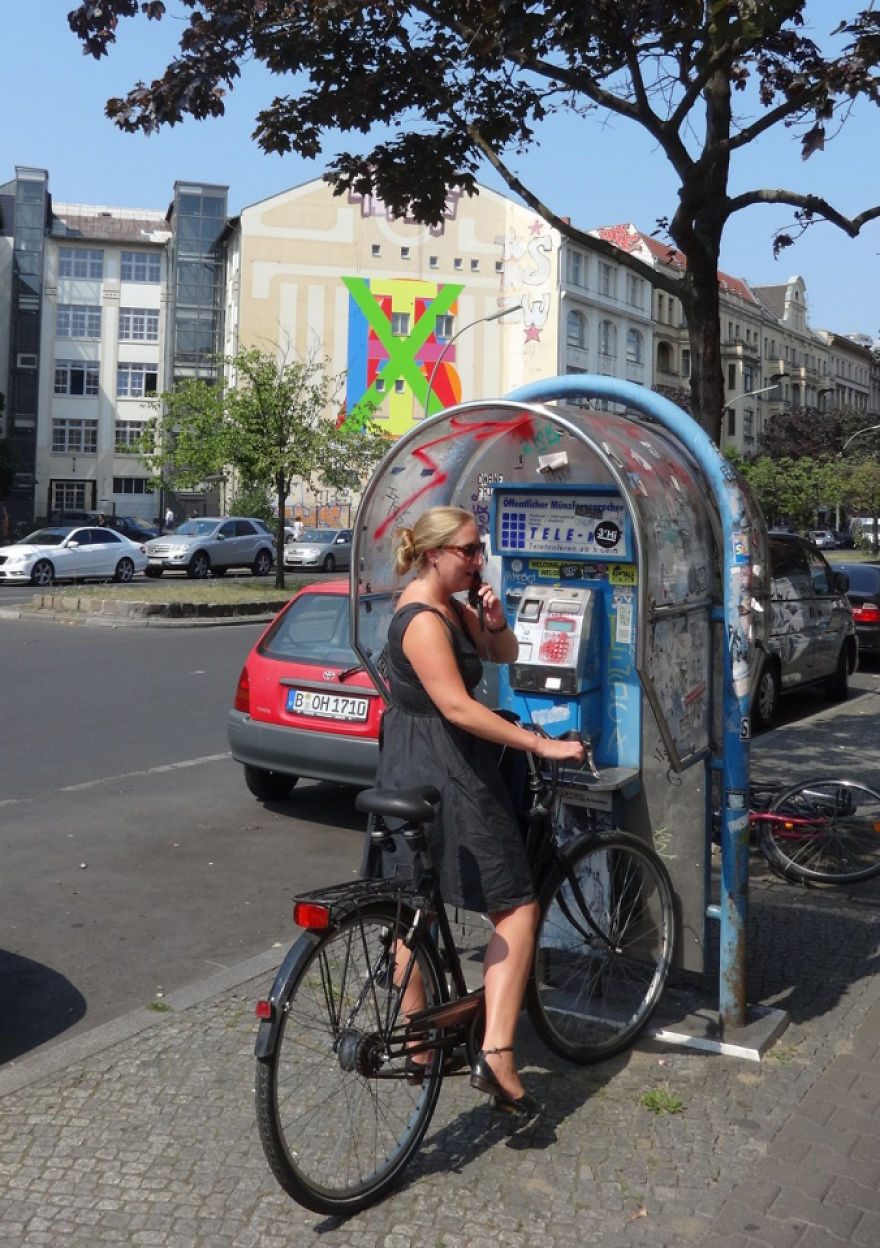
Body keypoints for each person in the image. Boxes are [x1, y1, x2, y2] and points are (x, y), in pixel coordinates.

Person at [367, 505, 584, 1117]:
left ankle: (422, 1048)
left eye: (479, 548)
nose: (478, 559)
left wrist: (493, 621)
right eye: (468, 550)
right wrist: (541, 744)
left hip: (416, 762)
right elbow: (459, 708)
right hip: (444, 769)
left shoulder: (448, 605)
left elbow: (505, 653)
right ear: (434, 553)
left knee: (413, 908)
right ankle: (498, 1054)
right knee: (516, 907)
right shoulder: (421, 619)